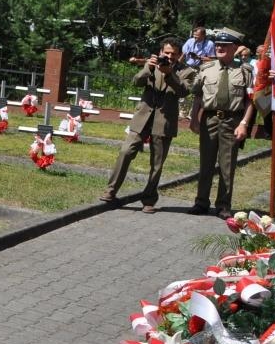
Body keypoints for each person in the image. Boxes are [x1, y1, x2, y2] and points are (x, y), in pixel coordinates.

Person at [100, 37, 192, 212]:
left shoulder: (186, 71)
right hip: (142, 118)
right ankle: (111, 190)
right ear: (160, 52)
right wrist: (148, 68)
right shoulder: (152, 64)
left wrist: (169, 73)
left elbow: (183, 91)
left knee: (156, 164)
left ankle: (149, 199)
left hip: (164, 122)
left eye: (174, 54)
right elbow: (136, 81)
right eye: (167, 52)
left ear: (180, 55)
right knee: (125, 152)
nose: (169, 56)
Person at [188, 28, 256, 218]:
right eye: (218, 44)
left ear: (235, 47)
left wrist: (244, 123)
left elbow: (250, 100)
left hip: (232, 120)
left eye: (224, 45)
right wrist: (194, 119)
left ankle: (223, 206)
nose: (219, 47)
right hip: (209, 119)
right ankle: (201, 202)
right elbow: (198, 96)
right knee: (206, 163)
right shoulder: (206, 69)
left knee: (227, 165)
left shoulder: (244, 71)